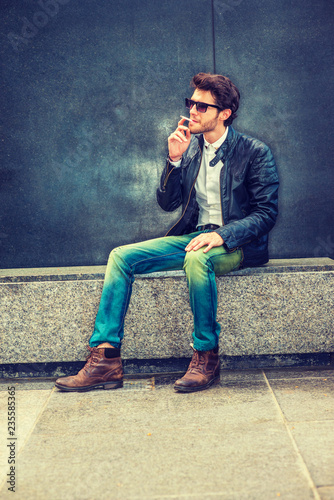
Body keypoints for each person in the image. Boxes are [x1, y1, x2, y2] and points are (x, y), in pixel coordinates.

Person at [55, 72, 279, 393]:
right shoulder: (192, 150)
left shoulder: (254, 152)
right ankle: (105, 360)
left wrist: (223, 236)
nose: (193, 112)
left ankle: (206, 356)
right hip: (195, 237)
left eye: (202, 107)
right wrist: (174, 159)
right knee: (121, 257)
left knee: (197, 260)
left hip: (238, 243)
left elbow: (266, 213)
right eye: (191, 104)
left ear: (224, 114)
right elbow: (168, 202)